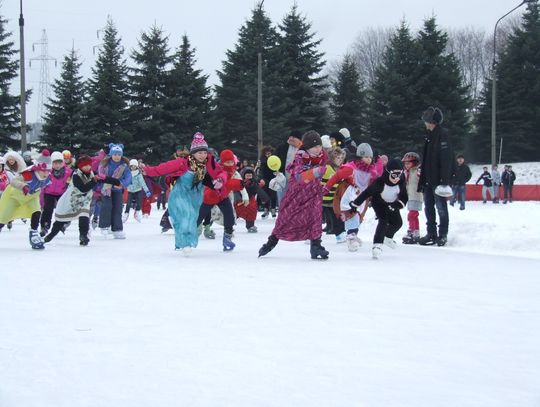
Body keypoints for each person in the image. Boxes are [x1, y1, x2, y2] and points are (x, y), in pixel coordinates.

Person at [141, 132, 227, 254]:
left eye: (204, 152)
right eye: (199, 153)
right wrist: (147, 170)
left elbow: (221, 172)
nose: (202, 155)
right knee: (187, 215)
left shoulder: (209, 162)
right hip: (180, 194)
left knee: (192, 219)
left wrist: (220, 180)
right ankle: (186, 243)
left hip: (195, 196)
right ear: (193, 153)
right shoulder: (182, 162)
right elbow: (163, 168)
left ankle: (182, 238)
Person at [258, 130, 330, 260]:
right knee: (286, 218)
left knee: (316, 217)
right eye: (314, 146)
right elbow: (299, 177)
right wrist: (316, 171)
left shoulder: (323, 158)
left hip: (314, 194)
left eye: (319, 146)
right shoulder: (300, 157)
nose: (318, 149)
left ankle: (316, 246)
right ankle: (271, 242)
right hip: (296, 195)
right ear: (307, 147)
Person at [44, 156, 119, 246]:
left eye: (89, 165)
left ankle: (83, 236)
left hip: (84, 201)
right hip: (71, 200)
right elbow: (83, 188)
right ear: (80, 166)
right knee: (61, 220)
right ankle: (51, 235)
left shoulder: (92, 173)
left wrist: (118, 182)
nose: (87, 167)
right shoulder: (76, 175)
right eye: (84, 165)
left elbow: (105, 178)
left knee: (84, 217)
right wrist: (94, 181)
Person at [324, 143, 384, 252]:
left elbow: (377, 180)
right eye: (366, 157)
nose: (369, 160)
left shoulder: (372, 171)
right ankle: (351, 236)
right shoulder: (351, 168)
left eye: (370, 157)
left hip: (362, 196)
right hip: (350, 194)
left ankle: (353, 233)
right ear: (359, 157)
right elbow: (336, 177)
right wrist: (327, 187)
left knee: (358, 215)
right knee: (352, 214)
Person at [349, 158, 408, 259]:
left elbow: (404, 197)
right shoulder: (380, 182)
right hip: (379, 202)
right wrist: (355, 204)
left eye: (399, 175)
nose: (396, 178)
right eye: (394, 175)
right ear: (388, 172)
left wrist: (396, 205)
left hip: (392, 203)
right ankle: (377, 245)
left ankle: (388, 237)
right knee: (383, 221)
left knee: (398, 223)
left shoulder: (401, 182)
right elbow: (366, 193)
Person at [0, 150, 52, 249]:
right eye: (43, 171)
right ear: (38, 168)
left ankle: (33, 234)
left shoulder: (48, 177)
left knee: (36, 212)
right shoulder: (29, 174)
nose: (45, 173)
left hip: (32, 198)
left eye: (47, 171)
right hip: (16, 198)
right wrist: (23, 186)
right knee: (3, 218)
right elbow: (13, 182)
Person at [418, 106, 454, 247]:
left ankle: (442, 234)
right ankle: (431, 233)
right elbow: (426, 159)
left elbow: (447, 159)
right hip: (428, 179)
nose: (425, 123)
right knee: (428, 207)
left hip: (438, 180)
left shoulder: (443, 135)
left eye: (426, 120)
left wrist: (444, 180)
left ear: (432, 121)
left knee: (441, 207)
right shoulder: (429, 136)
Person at [98, 144, 132, 239]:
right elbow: (101, 175)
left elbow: (128, 177)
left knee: (117, 208)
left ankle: (117, 229)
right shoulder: (104, 164)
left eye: (119, 154)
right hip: (106, 189)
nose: (117, 156)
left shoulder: (124, 166)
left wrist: (122, 184)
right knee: (107, 206)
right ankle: (104, 226)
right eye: (115, 154)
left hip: (117, 189)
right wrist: (107, 183)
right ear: (111, 155)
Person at [40, 151, 72, 236]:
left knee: (63, 208)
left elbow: (73, 181)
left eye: (60, 163)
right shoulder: (47, 171)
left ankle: (63, 223)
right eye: (55, 163)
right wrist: (41, 199)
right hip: (49, 192)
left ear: (63, 162)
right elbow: (42, 183)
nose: (57, 165)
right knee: (47, 209)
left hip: (61, 192)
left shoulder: (68, 172)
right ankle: (45, 225)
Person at [273, 130, 303, 205]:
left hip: (297, 180)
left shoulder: (303, 149)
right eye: (290, 137)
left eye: (294, 137)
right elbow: (274, 159)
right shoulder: (282, 147)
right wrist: (276, 170)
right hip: (283, 178)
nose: (291, 139)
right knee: (282, 201)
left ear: (299, 140)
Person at [401, 152, 423, 244]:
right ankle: (416, 233)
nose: (406, 165)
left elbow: (422, 179)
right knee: (414, 215)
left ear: (415, 163)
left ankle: (412, 230)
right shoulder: (407, 172)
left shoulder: (417, 171)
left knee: (411, 215)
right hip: (410, 197)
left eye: (408, 163)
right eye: (405, 163)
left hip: (416, 196)